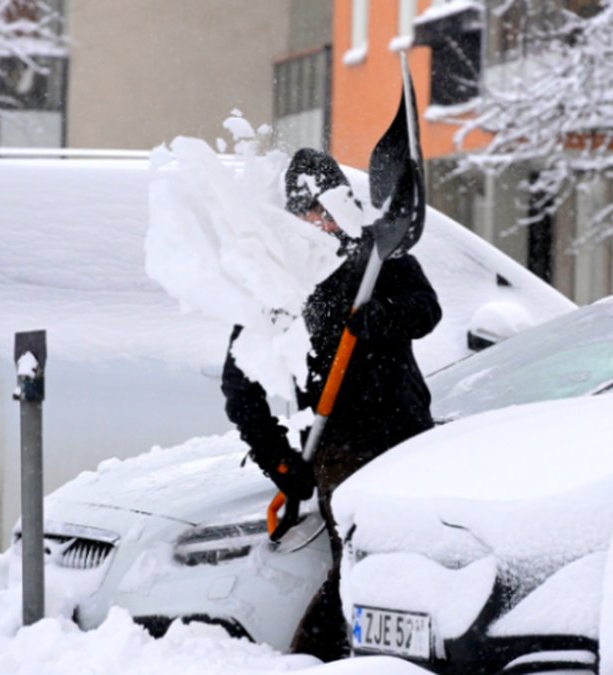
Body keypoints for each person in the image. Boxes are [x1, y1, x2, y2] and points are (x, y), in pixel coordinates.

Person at [221, 148, 441, 661]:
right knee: (359, 565)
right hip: (340, 446)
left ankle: (412, 660)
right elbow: (241, 382)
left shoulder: (380, 253)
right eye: (307, 211)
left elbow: (426, 310)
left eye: (327, 207)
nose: (320, 221)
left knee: (415, 560)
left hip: (409, 432)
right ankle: (321, 660)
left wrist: (380, 318)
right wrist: (279, 460)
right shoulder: (281, 279)